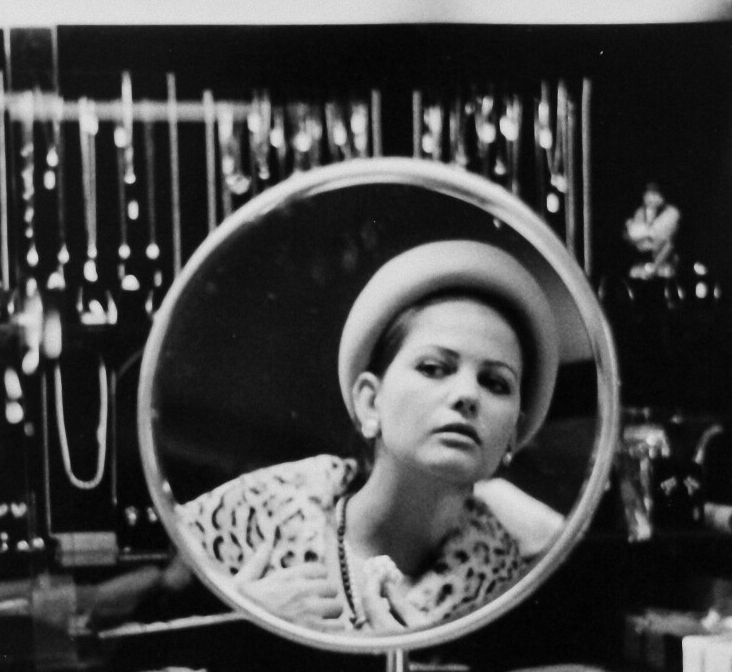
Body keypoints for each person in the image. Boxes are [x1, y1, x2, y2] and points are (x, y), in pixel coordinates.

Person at [179, 239, 564, 635]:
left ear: (513, 433)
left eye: (495, 383)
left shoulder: (509, 587)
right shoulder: (259, 516)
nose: (468, 395)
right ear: (369, 402)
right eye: (434, 368)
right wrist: (236, 625)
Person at [623, 182, 681, 280]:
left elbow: (664, 239)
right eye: (647, 195)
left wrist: (655, 266)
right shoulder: (640, 212)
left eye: (654, 195)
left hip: (663, 262)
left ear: (662, 197)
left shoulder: (672, 213)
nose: (650, 198)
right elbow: (632, 235)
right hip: (642, 261)